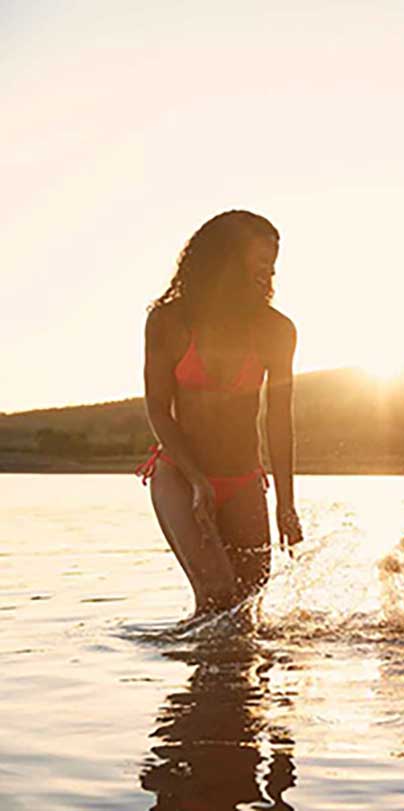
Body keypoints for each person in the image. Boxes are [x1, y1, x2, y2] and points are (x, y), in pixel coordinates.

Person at [139, 210, 303, 617]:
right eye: (260, 263)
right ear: (224, 259)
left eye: (272, 265)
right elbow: (158, 410)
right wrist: (197, 480)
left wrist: (286, 504)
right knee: (216, 595)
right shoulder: (168, 321)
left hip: (244, 479)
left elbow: (279, 421)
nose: (268, 275)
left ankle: (226, 679)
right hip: (179, 474)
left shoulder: (276, 330)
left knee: (244, 611)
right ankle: (196, 677)